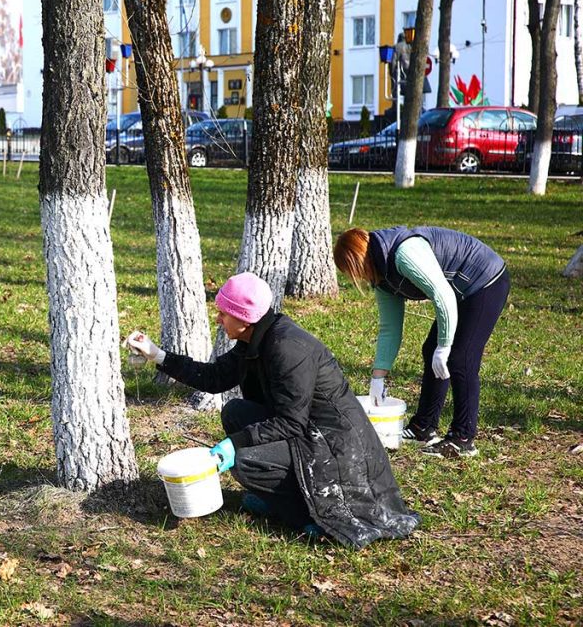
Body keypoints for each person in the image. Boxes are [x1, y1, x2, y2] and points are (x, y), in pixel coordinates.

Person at [127, 273, 419, 549]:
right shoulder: (254, 339)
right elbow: (215, 378)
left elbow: (292, 423)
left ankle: (307, 515)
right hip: (308, 431)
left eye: (223, 314)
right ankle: (280, 494)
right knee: (235, 412)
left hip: (335, 447)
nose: (218, 319)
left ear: (244, 319)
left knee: (245, 461)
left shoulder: (288, 349)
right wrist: (158, 355)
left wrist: (235, 444)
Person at [333, 226, 510, 458]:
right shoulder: (382, 276)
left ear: (358, 262)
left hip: (485, 279)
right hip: (457, 290)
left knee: (460, 358)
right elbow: (389, 329)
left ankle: (463, 438)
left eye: (353, 271)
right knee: (430, 350)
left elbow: (442, 295)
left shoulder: (405, 254)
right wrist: (378, 377)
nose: (357, 278)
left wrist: (444, 346)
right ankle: (423, 427)